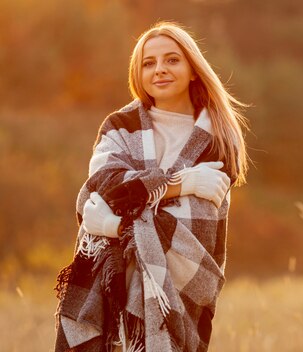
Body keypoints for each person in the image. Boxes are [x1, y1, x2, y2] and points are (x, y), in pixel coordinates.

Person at [54, 21, 249, 352]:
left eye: (172, 60)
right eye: (149, 62)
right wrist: (180, 183)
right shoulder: (120, 126)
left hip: (179, 294)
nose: (159, 69)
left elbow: (189, 230)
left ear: (192, 69)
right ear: (138, 73)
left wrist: (115, 226)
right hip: (106, 291)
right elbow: (103, 189)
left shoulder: (217, 142)